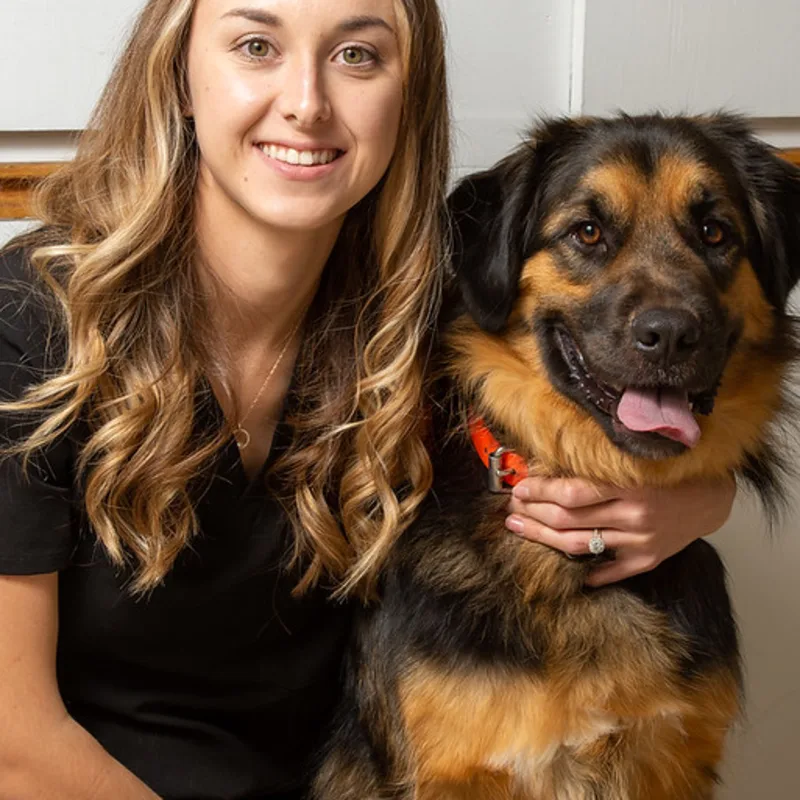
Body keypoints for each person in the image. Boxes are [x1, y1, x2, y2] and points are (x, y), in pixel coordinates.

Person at [0, 1, 736, 798]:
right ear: (178, 75)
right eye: (256, 46)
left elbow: (599, 419)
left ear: (407, 97)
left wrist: (701, 495)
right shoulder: (35, 323)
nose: (307, 102)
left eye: (357, 55)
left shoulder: (428, 316)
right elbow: (15, 742)